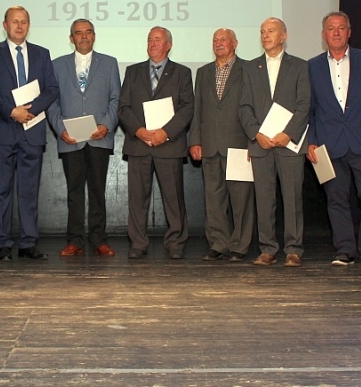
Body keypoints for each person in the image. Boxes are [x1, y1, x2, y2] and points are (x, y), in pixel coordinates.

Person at [307, 12, 361, 267]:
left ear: (349, 32)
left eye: (341, 28)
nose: (336, 32)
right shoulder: (312, 66)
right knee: (336, 199)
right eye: (331, 28)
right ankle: (344, 249)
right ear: (323, 34)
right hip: (328, 145)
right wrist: (311, 141)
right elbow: (310, 109)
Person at [0, 6, 59, 261]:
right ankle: (3, 243)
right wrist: (10, 111)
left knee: (29, 190)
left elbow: (51, 88)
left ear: (29, 25)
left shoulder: (41, 54)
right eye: (14, 21)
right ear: (5, 25)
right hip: (2, 131)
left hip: (32, 129)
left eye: (24, 22)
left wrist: (30, 110)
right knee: (1, 190)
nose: (19, 26)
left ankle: (28, 243)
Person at [239, 17, 310, 267]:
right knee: (264, 199)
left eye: (271, 31)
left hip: (289, 144)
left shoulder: (299, 66)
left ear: (284, 36)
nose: (265, 35)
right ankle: (267, 249)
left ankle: (293, 249)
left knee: (292, 198)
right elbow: (244, 106)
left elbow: (304, 104)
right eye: (262, 32)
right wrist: (256, 133)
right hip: (261, 143)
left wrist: (288, 133)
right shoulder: (250, 68)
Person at [118, 26, 193, 260]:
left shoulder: (182, 73)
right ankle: (138, 243)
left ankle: (175, 243)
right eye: (150, 39)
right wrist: (139, 131)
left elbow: (187, 108)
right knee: (137, 199)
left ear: (169, 45)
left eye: (158, 39)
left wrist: (166, 132)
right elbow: (123, 107)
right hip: (139, 145)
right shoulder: (133, 72)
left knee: (173, 198)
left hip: (168, 145)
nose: (153, 43)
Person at [48, 19, 120, 257]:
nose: (84, 36)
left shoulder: (109, 63)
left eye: (88, 32)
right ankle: (75, 240)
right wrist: (60, 129)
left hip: (99, 137)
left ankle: (99, 239)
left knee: (98, 191)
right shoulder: (57, 65)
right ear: (71, 39)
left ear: (94, 36)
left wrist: (106, 125)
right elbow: (51, 102)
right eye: (78, 33)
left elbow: (116, 99)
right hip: (70, 139)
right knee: (74, 192)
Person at [188, 28, 256, 262]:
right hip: (209, 144)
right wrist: (195, 140)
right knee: (213, 200)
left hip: (239, 144)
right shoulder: (203, 72)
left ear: (234, 43)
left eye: (223, 40)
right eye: (215, 40)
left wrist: (253, 141)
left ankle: (239, 246)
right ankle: (219, 243)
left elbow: (254, 107)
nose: (218, 43)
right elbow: (197, 109)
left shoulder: (248, 69)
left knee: (241, 199)